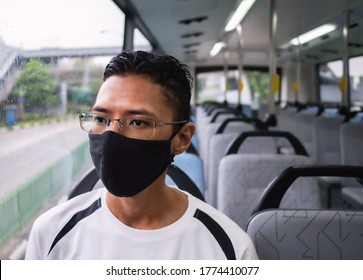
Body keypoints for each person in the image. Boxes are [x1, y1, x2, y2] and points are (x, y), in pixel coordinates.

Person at [25, 50, 258, 260]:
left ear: (182, 138)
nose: (110, 136)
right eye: (100, 119)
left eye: (137, 121)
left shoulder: (231, 250)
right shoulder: (51, 233)